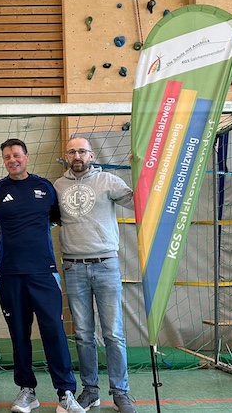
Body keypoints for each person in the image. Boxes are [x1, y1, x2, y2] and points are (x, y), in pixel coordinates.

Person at [0, 138, 85, 413]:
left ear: (26, 157)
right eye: (7, 157)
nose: (12, 160)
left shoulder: (45, 188)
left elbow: (55, 218)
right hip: (9, 273)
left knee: (54, 331)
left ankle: (66, 392)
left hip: (44, 273)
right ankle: (27, 390)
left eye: (16, 155)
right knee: (19, 334)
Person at [53, 137, 137, 413]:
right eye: (72, 151)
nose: (77, 156)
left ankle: (121, 392)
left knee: (113, 333)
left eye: (82, 151)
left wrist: (142, 171)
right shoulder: (58, 186)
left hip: (106, 265)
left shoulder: (108, 181)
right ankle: (90, 390)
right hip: (73, 267)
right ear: (66, 156)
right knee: (83, 334)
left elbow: (138, 203)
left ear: (91, 155)